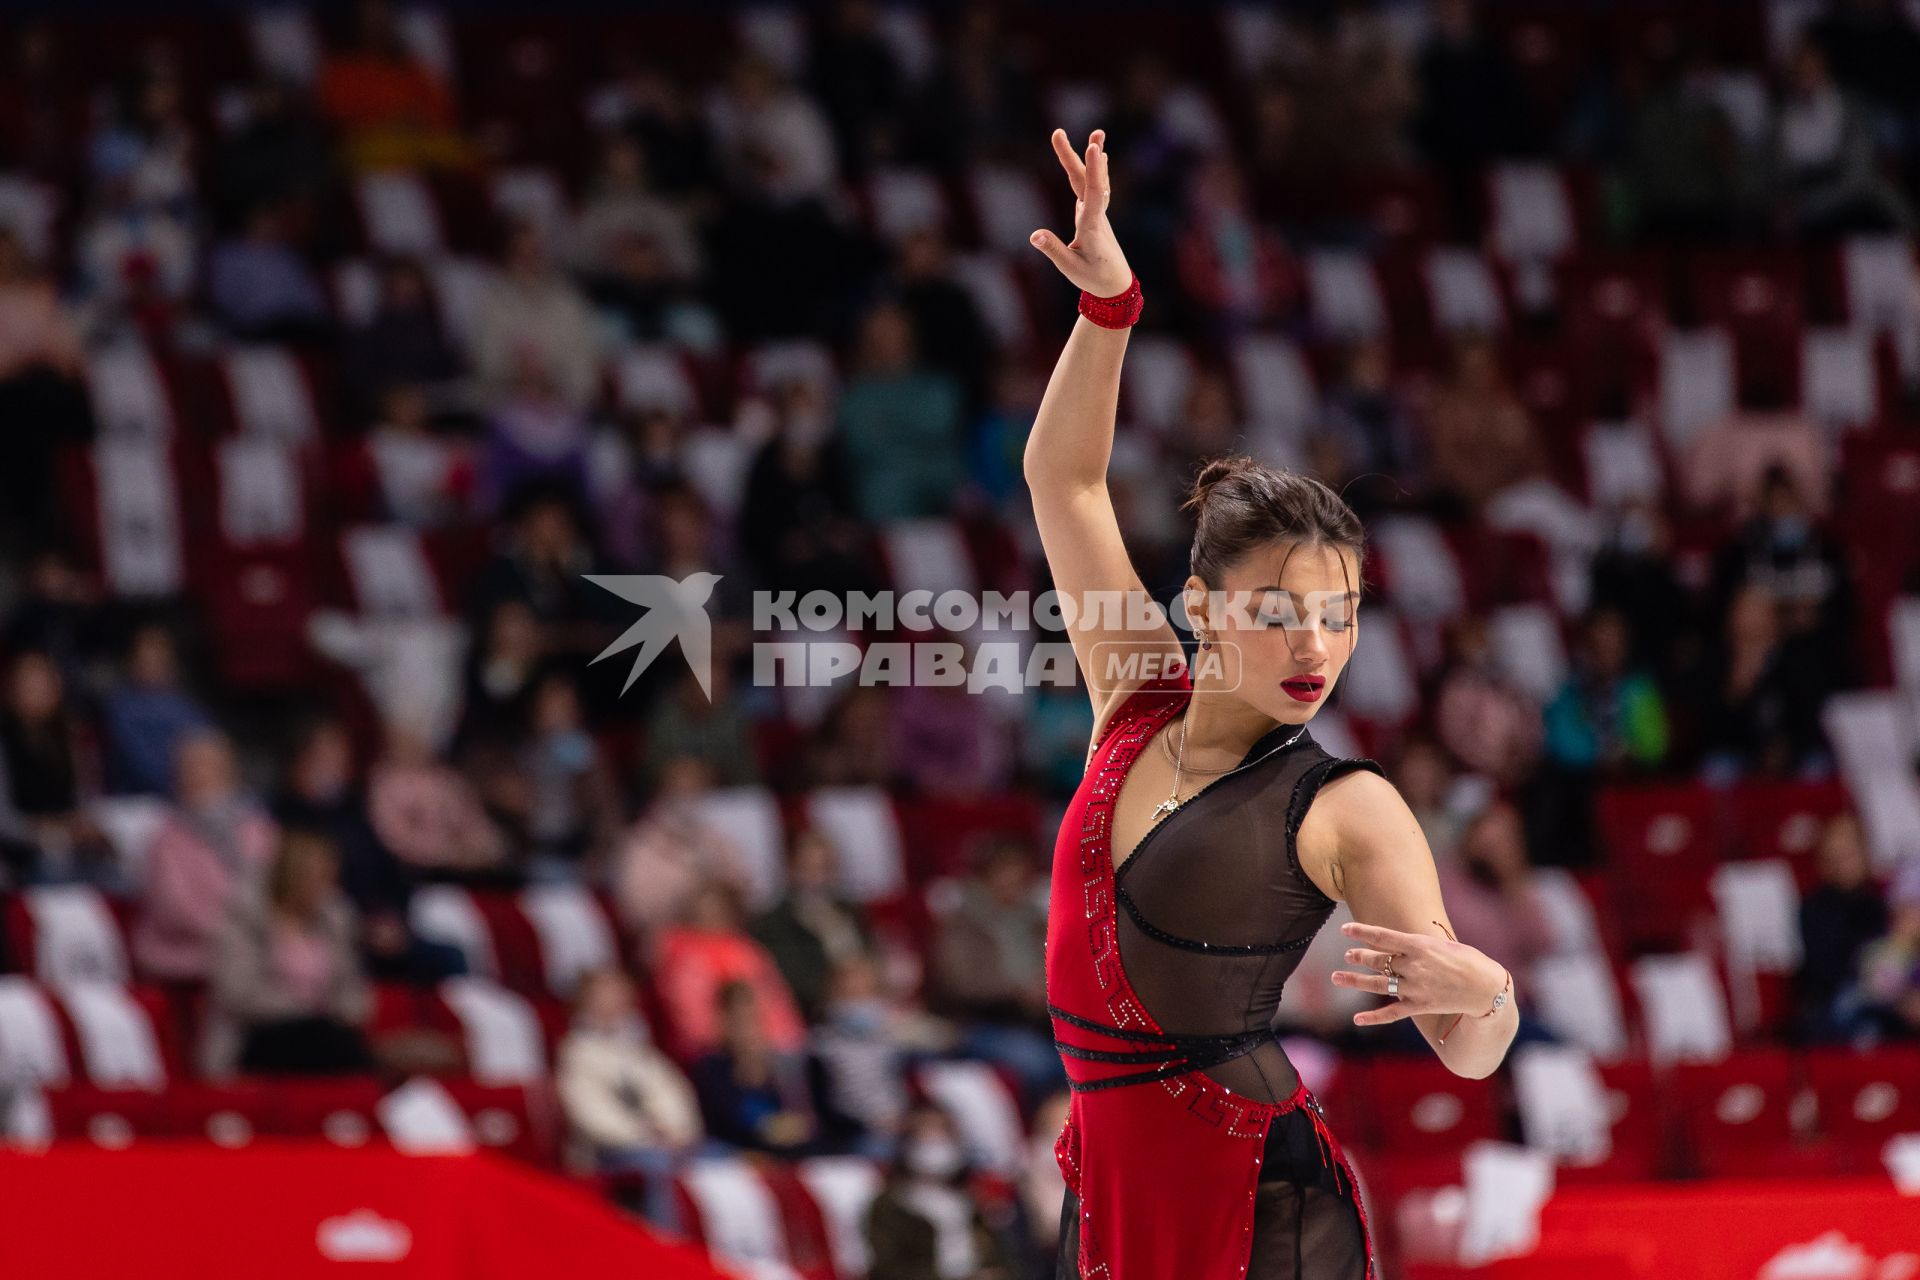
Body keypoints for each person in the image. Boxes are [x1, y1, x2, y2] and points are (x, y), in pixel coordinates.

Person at [1023, 128, 1518, 1280]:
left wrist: (1486, 990)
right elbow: (1066, 479)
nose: (1317, 644)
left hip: (1261, 1200)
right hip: (1106, 1186)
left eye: (1341, 615)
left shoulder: (1348, 805)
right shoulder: (1134, 690)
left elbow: (1468, 1043)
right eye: (1283, 611)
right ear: (1200, 603)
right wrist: (1110, 311)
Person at [202, 830, 374, 1077]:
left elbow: (353, 989)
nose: (326, 888)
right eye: (317, 878)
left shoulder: (335, 921)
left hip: (325, 1032)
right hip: (257, 1033)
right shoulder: (244, 919)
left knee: (333, 1040)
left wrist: (340, 1012)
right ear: (292, 877)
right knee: (325, 1039)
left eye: (329, 878)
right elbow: (237, 992)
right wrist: (304, 1011)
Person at [555, 968, 706, 1231]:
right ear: (586, 1001)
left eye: (618, 993)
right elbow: (590, 1114)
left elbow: (670, 1093)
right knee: (656, 1166)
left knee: (718, 1158)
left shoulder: (638, 1047)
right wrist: (647, 1135)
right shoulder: (576, 1052)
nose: (614, 1000)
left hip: (658, 1141)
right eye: (604, 994)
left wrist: (675, 1130)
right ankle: (668, 1246)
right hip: (607, 1152)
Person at [864, 1100, 1017, 1280]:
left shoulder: (974, 1198)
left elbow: (1001, 1257)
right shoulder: (889, 1205)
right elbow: (889, 1269)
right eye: (925, 1133)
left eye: (943, 1132)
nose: (935, 1140)